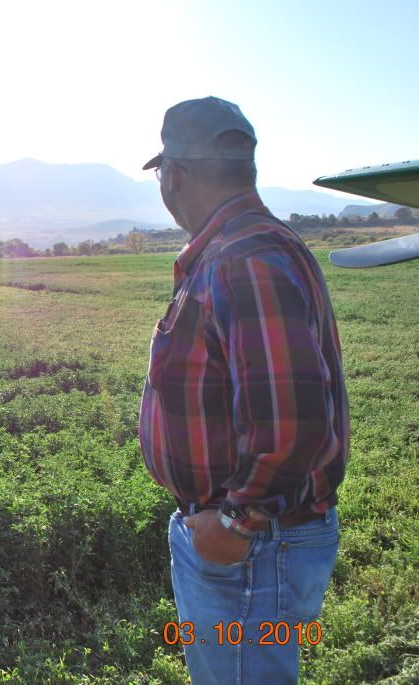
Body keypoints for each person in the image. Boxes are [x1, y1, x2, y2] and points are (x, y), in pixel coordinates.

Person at [139, 97, 349, 684]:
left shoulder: (243, 258)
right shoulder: (244, 245)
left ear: (174, 174)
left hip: (253, 545)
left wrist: (237, 522)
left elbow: (291, 421)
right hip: (252, 539)